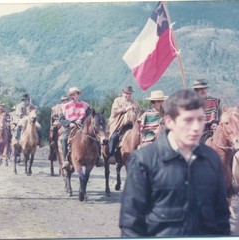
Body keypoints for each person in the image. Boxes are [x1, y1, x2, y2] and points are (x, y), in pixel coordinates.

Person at [119, 89, 230, 237]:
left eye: (200, 119)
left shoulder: (212, 159)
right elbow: (131, 225)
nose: (196, 127)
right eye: (188, 120)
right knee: (115, 136)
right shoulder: (143, 161)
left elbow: (221, 219)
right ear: (170, 121)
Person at [59, 87, 103, 167]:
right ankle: (66, 159)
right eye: (71, 95)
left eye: (74, 94)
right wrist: (69, 124)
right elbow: (61, 119)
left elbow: (90, 116)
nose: (72, 96)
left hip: (83, 126)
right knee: (64, 138)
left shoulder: (85, 105)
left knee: (96, 137)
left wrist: (82, 120)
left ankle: (98, 157)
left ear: (78, 95)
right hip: (70, 127)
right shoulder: (65, 106)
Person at [108, 86, 141, 156]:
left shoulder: (135, 102)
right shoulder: (117, 100)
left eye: (130, 93)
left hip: (132, 124)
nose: (128, 95)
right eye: (126, 93)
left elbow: (139, 111)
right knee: (114, 137)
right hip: (120, 124)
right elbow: (114, 111)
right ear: (122, 93)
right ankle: (111, 154)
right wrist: (126, 109)